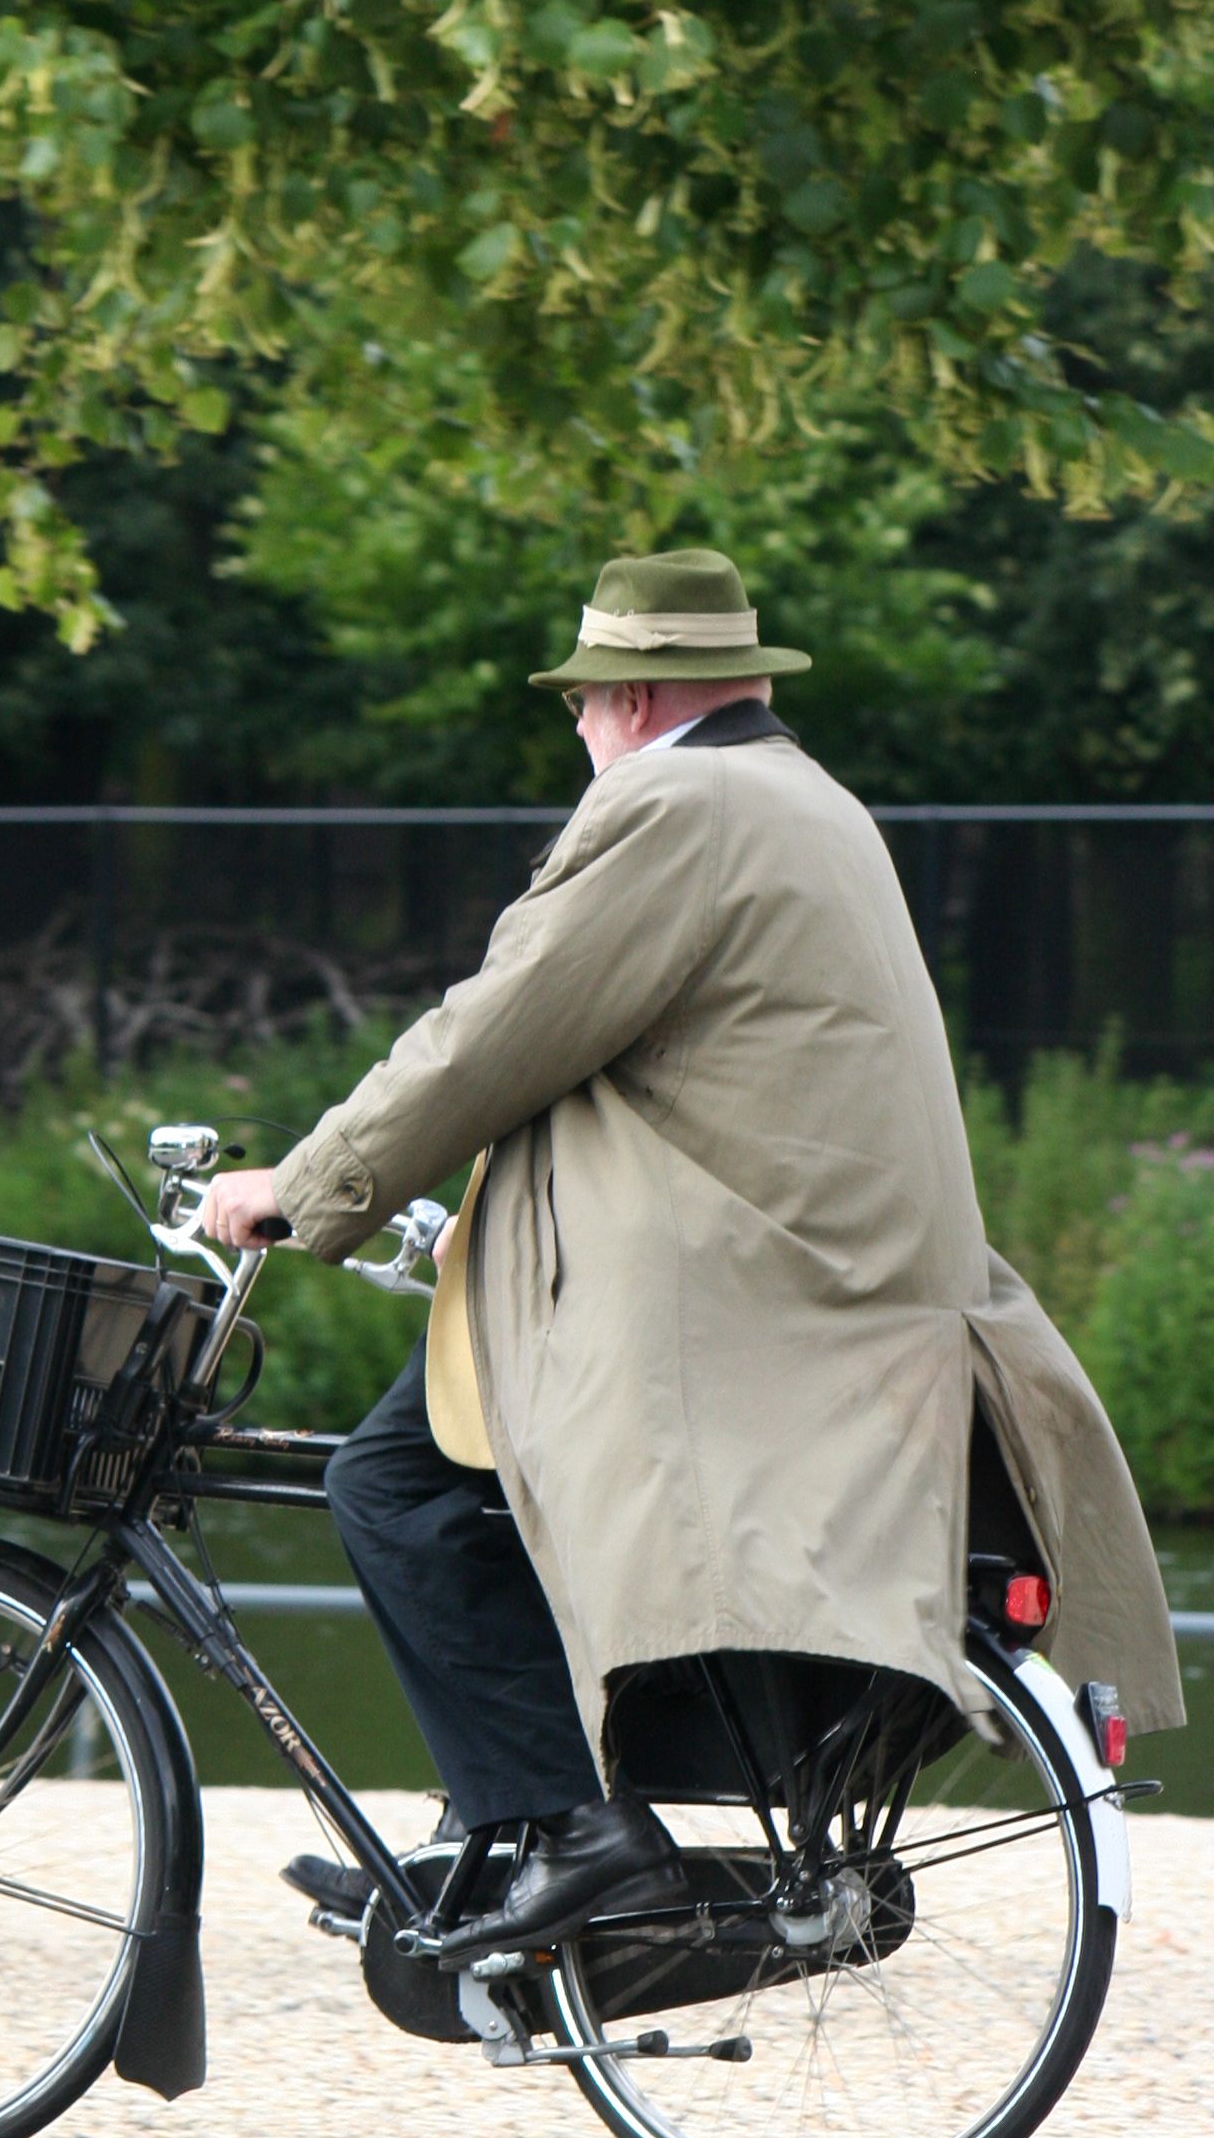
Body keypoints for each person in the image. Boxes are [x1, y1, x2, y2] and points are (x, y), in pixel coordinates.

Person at [199, 546, 1182, 1951]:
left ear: (639, 693)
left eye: (584, 705)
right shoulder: (809, 797)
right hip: (847, 1279)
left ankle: (578, 1836)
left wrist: (303, 1187)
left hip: (732, 1292)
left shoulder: (674, 805)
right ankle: (485, 1840)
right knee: (468, 1491)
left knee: (393, 1489)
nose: (579, 733)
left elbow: (493, 1035)